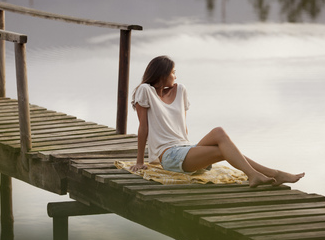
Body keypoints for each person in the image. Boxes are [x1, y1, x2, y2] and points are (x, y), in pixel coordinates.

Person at [130, 55, 304, 188]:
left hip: (185, 149)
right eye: (173, 72)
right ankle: (263, 174)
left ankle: (265, 174)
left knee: (218, 132)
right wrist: (140, 161)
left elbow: (183, 127)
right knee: (222, 149)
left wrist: (193, 149)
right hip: (169, 155)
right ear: (162, 74)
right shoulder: (145, 91)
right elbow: (143, 127)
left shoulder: (181, 90)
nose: (175, 76)